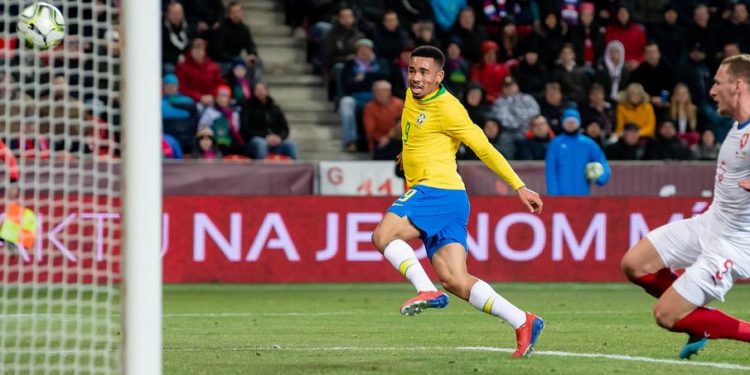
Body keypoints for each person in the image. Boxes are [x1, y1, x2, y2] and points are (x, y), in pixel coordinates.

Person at [370, 46, 545, 358]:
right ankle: (523, 321)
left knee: (383, 236)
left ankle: (425, 290)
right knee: (455, 279)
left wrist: (519, 186)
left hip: (436, 191)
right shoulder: (413, 95)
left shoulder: (449, 109)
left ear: (439, 76)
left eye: (424, 72)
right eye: (412, 70)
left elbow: (484, 148)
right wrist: (407, 153)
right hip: (451, 199)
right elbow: (418, 132)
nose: (416, 77)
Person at [620, 55, 750, 360]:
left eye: (718, 82)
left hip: (732, 246)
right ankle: (699, 318)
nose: (712, 90)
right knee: (634, 264)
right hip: (709, 224)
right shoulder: (737, 125)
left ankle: (714, 324)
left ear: (739, 85)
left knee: (665, 315)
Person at [545, 108, 611, 196]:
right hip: (561, 196)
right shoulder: (555, 144)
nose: (571, 125)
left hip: (583, 194)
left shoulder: (588, 143)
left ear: (578, 123)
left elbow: (602, 161)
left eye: (573, 122)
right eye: (568, 122)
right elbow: (551, 170)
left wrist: (601, 178)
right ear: (563, 123)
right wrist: (553, 194)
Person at [241, 82, 298, 160]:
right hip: (255, 141)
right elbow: (245, 130)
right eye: (257, 90)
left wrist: (279, 137)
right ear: (253, 92)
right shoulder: (248, 107)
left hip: (276, 141)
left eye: (262, 89)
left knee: (291, 144)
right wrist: (265, 136)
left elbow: (285, 129)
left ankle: (295, 171)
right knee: (261, 144)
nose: (260, 92)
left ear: (267, 91)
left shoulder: (275, 108)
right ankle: (262, 171)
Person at [363, 81, 404, 153]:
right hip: (379, 141)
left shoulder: (399, 104)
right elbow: (370, 130)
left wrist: (388, 136)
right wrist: (382, 138)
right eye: (376, 91)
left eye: (383, 91)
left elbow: (404, 124)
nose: (380, 94)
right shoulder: (369, 107)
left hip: (398, 139)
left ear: (389, 91)